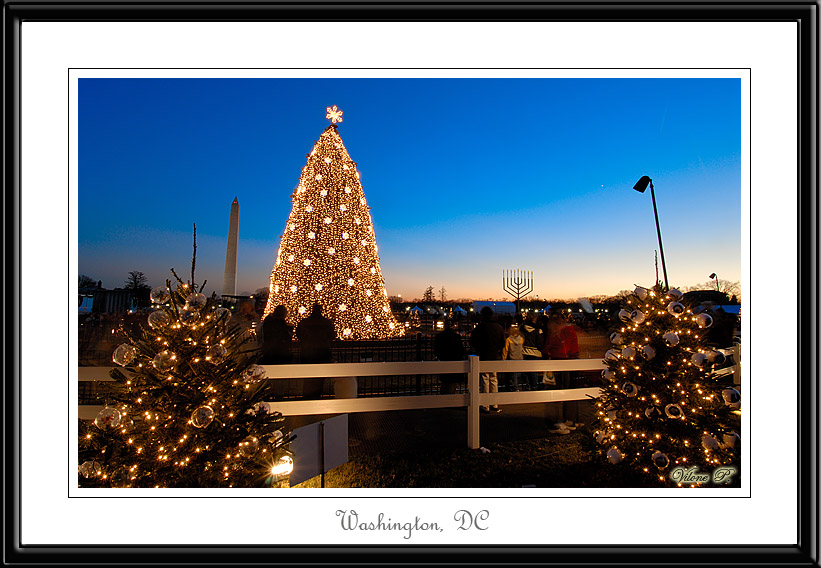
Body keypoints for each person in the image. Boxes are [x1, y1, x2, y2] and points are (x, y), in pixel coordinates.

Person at [543, 309, 582, 434]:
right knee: (558, 392)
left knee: (563, 392)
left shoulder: (565, 331)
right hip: (560, 363)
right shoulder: (558, 332)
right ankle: (559, 421)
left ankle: (564, 420)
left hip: (564, 363)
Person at [295, 302, 335, 399]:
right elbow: (332, 336)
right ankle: (317, 396)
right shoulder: (327, 322)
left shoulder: (304, 322)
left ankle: (307, 396)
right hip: (323, 352)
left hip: (308, 352)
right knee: (320, 378)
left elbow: (299, 335)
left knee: (308, 377)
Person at [469, 306, 505, 413]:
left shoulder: (480, 327)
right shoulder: (499, 327)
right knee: (494, 379)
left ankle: (485, 405)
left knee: (485, 379)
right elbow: (502, 343)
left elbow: (473, 341)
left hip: (483, 355)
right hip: (495, 356)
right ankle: (494, 403)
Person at [433, 319, 466, 395]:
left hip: (444, 360)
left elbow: (436, 350)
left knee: (445, 383)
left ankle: (444, 400)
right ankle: (450, 400)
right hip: (454, 361)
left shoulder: (439, 336)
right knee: (452, 384)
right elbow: (461, 350)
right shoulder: (456, 337)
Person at [520, 312, 544, 391]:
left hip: (524, 352)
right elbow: (540, 343)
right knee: (534, 372)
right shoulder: (538, 330)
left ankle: (527, 387)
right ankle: (534, 388)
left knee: (526, 372)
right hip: (535, 353)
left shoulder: (522, 328)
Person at [501, 324, 524, 392]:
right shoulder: (521, 339)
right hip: (520, 358)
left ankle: (515, 387)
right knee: (518, 373)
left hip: (512, 358)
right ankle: (517, 386)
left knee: (513, 374)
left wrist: (503, 358)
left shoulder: (508, 340)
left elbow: (505, 350)